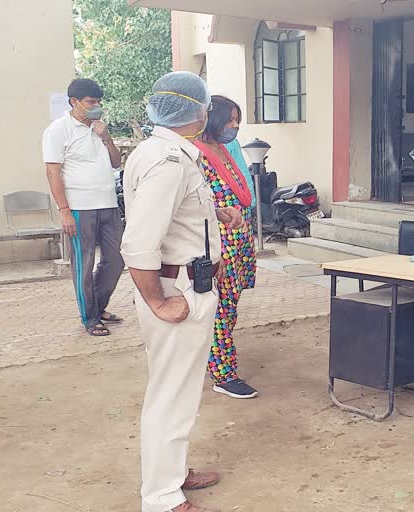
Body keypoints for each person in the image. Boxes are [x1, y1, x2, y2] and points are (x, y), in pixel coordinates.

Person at [121, 71, 245, 512]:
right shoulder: (170, 162)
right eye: (206, 106)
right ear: (195, 110)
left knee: (177, 389)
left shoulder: (160, 152)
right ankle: (160, 497)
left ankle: (172, 473)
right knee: (171, 394)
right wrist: (158, 299)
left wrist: (218, 212)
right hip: (179, 289)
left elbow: (178, 212)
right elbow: (138, 243)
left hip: (185, 282)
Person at [42, 78, 125, 336]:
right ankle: (90, 318)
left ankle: (98, 307)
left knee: (117, 259)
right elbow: (52, 172)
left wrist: (106, 137)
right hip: (79, 208)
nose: (96, 106)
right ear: (74, 102)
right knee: (84, 264)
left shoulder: (98, 129)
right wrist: (64, 210)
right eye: (91, 102)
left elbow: (114, 163)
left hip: (108, 204)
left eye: (99, 101)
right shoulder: (58, 130)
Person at [194, 95, 258, 399]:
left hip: (238, 238)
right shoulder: (197, 154)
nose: (233, 126)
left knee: (229, 306)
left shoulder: (223, 149)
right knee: (219, 308)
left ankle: (212, 361)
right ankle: (223, 373)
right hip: (219, 241)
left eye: (237, 121)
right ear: (212, 118)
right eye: (229, 120)